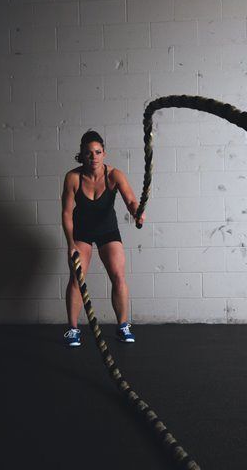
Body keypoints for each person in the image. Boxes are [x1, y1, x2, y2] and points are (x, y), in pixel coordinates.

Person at [61, 130, 145, 347]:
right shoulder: (73, 177)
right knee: (76, 278)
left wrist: (137, 212)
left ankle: (123, 326)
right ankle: (73, 330)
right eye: (89, 153)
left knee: (118, 276)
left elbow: (131, 201)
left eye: (98, 152)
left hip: (108, 231)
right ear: (82, 154)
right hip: (82, 233)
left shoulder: (114, 175)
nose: (94, 157)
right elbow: (67, 213)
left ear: (104, 154)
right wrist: (71, 244)